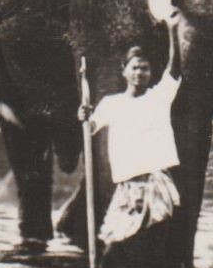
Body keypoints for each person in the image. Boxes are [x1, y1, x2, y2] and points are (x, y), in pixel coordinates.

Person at [77, 20, 183, 249]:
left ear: (151, 72)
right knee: (112, 248)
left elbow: (174, 70)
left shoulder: (159, 97)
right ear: (124, 71)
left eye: (144, 68)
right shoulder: (111, 104)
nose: (139, 73)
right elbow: (90, 129)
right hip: (127, 187)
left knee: (149, 248)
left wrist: (173, 31)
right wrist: (83, 116)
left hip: (155, 185)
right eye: (134, 67)